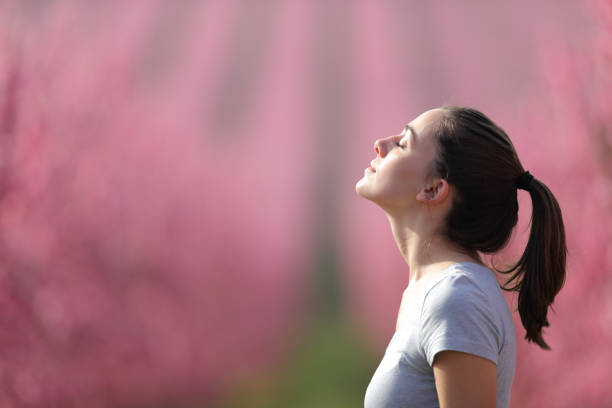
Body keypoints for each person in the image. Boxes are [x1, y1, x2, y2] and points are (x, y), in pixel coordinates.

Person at [356, 106, 567, 408]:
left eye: (403, 143)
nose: (380, 144)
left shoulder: (457, 297)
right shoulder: (431, 293)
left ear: (433, 189)